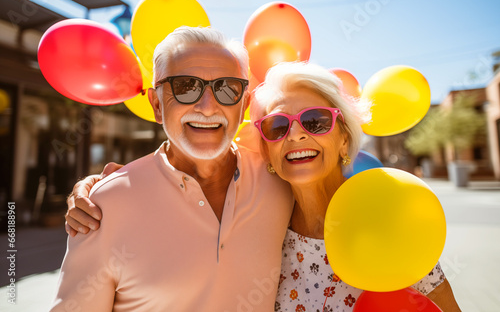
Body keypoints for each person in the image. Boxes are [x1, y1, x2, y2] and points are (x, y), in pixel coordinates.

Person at [66, 49, 461, 310]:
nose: (296, 135)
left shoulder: (385, 219)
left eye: (316, 121)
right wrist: (99, 188)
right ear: (266, 149)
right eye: (277, 126)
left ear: (344, 137)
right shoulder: (263, 207)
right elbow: (189, 166)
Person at [51, 26, 295, 311]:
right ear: (156, 104)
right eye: (185, 87)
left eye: (227, 88)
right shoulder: (105, 206)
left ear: (244, 105)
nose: (207, 106)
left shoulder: (282, 183)